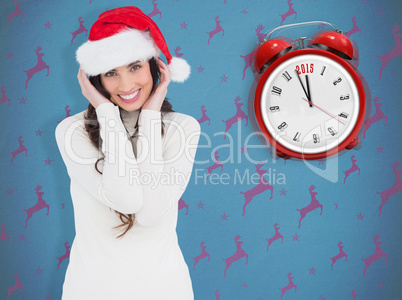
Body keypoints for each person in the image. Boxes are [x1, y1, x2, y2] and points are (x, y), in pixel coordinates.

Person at [55, 6, 200, 300]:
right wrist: (107, 114)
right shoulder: (72, 131)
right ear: (96, 80)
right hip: (91, 290)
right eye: (111, 73)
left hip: (166, 290)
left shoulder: (182, 128)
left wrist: (150, 116)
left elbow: (150, 214)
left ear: (154, 67)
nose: (126, 85)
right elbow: (126, 198)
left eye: (135, 67)